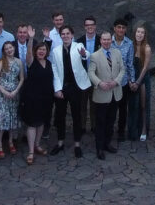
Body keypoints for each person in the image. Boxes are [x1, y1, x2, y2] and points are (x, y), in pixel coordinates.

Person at [49, 24, 92, 157]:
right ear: (60, 36)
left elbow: (86, 55)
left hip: (76, 87)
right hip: (62, 87)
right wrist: (57, 89)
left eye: (68, 34)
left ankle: (77, 143)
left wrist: (84, 55)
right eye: (63, 34)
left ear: (72, 35)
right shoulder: (55, 51)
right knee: (60, 116)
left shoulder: (78, 46)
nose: (65, 36)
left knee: (76, 115)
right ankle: (60, 142)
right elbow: (55, 70)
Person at [19, 40, 55, 165]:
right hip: (32, 98)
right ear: (35, 51)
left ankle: (37, 145)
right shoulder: (31, 62)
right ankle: (30, 151)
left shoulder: (49, 63)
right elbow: (28, 53)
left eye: (44, 50)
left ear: (47, 52)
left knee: (41, 123)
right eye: (39, 49)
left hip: (46, 99)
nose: (41, 51)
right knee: (32, 124)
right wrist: (31, 39)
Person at [89, 32, 124, 158]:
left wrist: (116, 81)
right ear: (101, 41)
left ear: (111, 40)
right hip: (102, 94)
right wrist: (99, 83)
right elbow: (91, 73)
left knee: (111, 121)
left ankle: (107, 143)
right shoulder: (94, 56)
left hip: (115, 93)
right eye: (104, 40)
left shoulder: (117, 53)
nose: (106, 42)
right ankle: (99, 148)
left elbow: (122, 69)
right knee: (100, 122)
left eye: (108, 39)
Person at [0, 39, 23, 158]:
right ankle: (0, 144)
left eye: (10, 48)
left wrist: (16, 91)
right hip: (2, 95)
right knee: (2, 119)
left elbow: (21, 78)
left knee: (12, 118)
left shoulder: (19, 62)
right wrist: (4, 91)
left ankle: (11, 141)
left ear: (14, 48)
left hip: (14, 94)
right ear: (4, 51)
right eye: (6, 49)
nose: (9, 50)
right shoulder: (1, 62)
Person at [128, 23, 155, 142]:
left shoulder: (147, 48)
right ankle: (132, 130)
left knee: (143, 105)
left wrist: (138, 82)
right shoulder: (131, 46)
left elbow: (145, 67)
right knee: (133, 105)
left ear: (145, 35)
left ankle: (143, 129)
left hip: (142, 78)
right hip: (132, 77)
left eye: (142, 32)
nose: (139, 34)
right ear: (134, 33)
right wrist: (130, 81)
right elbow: (128, 64)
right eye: (138, 32)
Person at [110, 20, 134, 140]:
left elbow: (130, 64)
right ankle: (109, 130)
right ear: (114, 28)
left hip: (123, 81)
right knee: (111, 108)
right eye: (118, 27)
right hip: (111, 81)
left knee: (123, 108)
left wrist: (132, 80)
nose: (120, 30)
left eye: (123, 28)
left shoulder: (129, 43)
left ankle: (121, 131)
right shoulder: (109, 41)